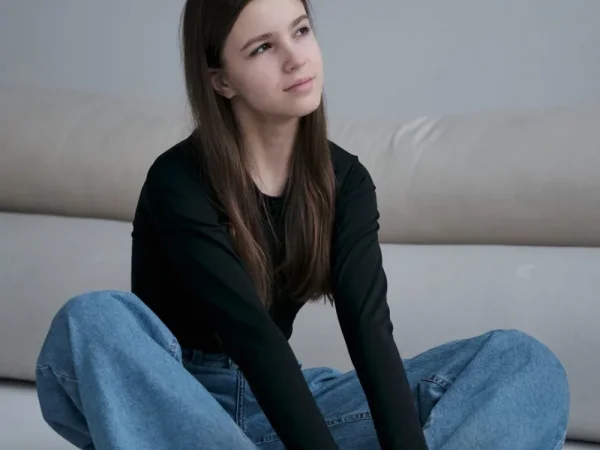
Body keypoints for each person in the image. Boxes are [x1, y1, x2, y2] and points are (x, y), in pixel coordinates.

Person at [35, 0, 570, 448]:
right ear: (221, 81)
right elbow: (251, 336)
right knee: (93, 318)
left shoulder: (346, 180)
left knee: (524, 365)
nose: (296, 58)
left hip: (285, 407)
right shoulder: (178, 181)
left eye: (301, 30)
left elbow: (369, 332)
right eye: (262, 48)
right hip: (173, 401)